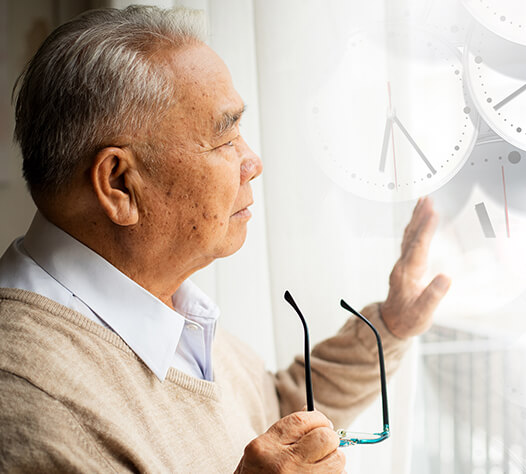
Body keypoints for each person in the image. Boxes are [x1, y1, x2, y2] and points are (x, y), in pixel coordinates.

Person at [0, 5, 451, 473]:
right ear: (118, 184)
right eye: (225, 138)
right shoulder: (28, 402)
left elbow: (269, 416)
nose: (252, 161)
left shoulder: (164, 302)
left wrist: (391, 324)